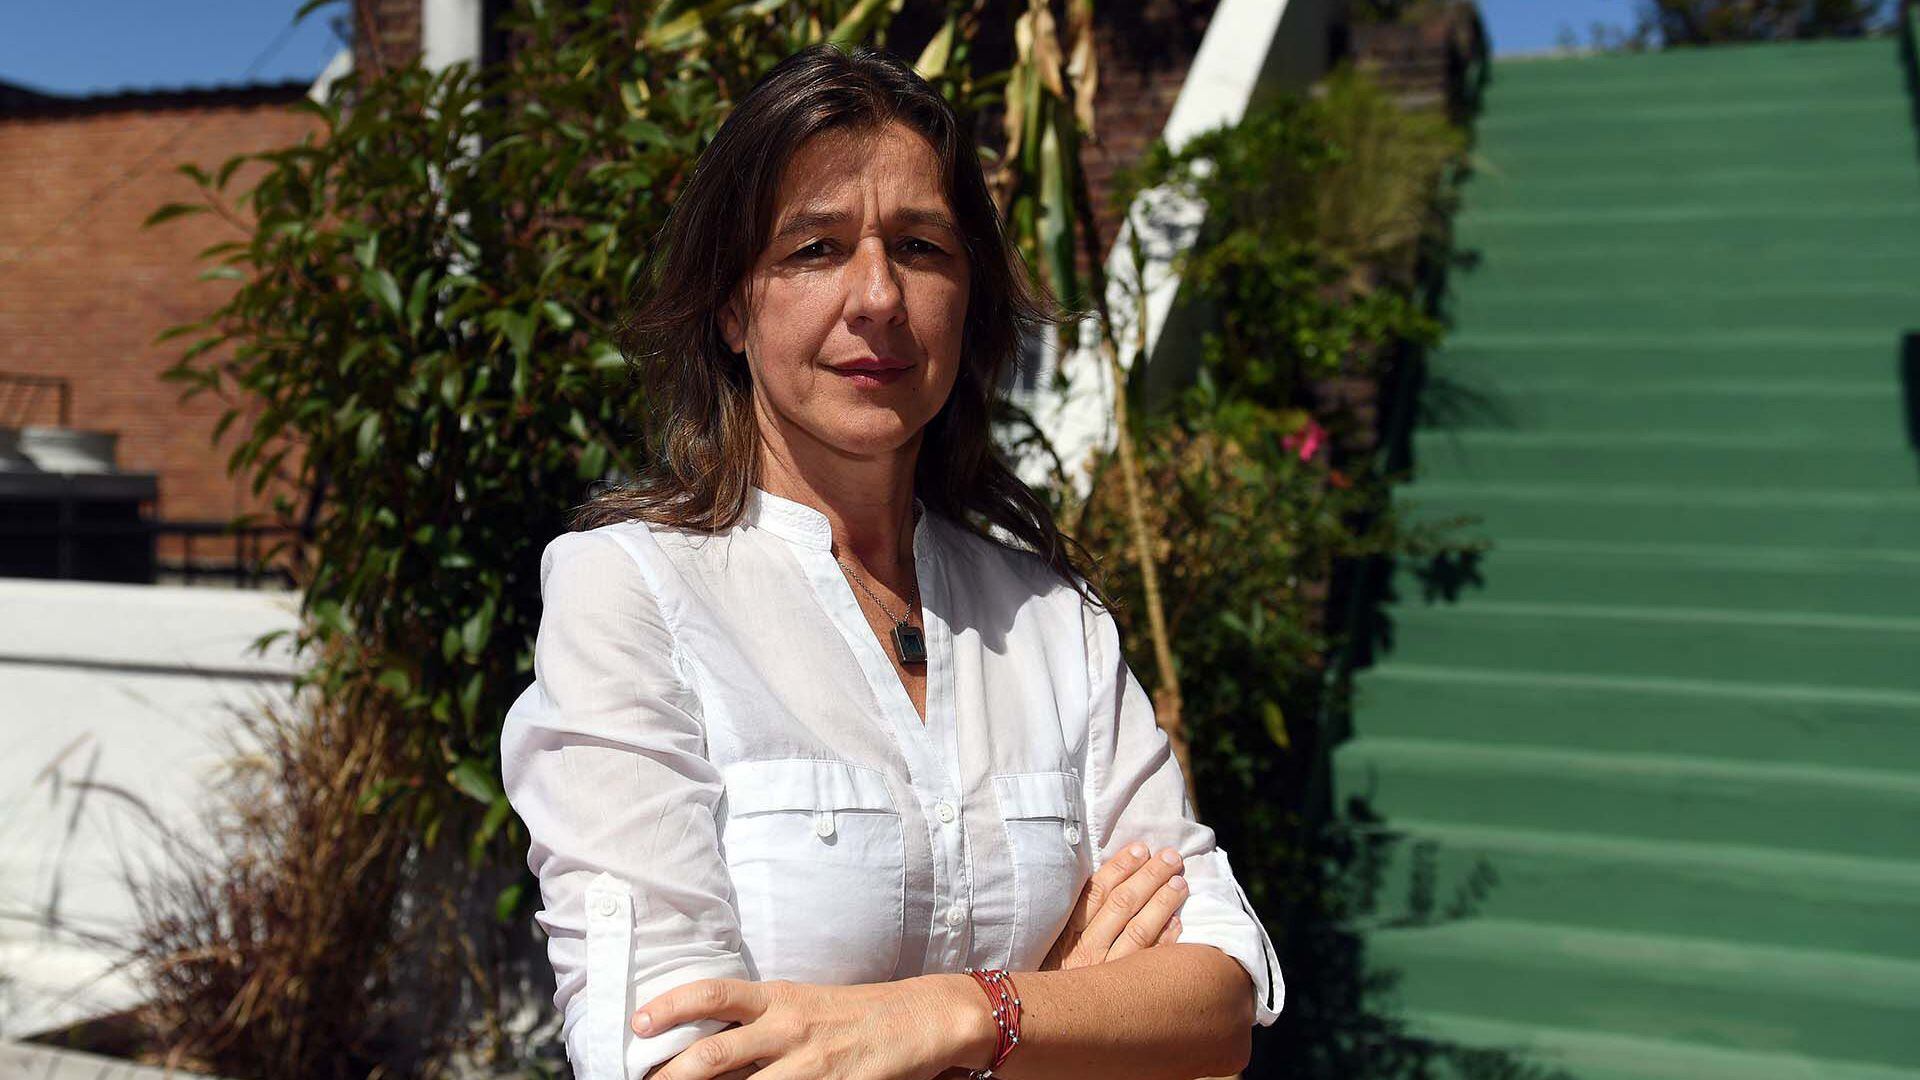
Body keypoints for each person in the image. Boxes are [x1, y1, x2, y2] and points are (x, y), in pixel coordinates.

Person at [499, 40, 1283, 1080]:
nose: (877, 295)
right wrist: (1065, 1014)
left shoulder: (1053, 621)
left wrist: (962, 1015)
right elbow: (670, 1057)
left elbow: (1219, 997)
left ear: (966, 295)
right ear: (732, 305)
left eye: (919, 246)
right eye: (815, 248)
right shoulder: (632, 594)